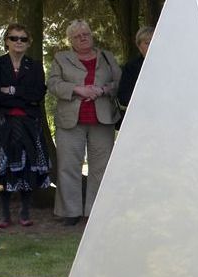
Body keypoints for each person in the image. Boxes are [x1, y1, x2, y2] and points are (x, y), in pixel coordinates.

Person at [48, 19, 122, 226]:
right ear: (70, 40)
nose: (83, 38)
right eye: (77, 36)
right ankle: (70, 212)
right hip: (71, 119)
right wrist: (77, 89)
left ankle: (95, 211)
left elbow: (119, 82)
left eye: (86, 34)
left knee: (101, 166)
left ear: (91, 35)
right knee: (68, 166)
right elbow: (53, 83)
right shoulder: (61, 58)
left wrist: (104, 89)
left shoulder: (106, 57)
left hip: (102, 118)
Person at [0, 23, 50, 228]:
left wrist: (10, 91)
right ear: (6, 41)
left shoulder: (34, 66)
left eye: (23, 39)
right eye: (14, 38)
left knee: (28, 167)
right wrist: (21, 94)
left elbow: (37, 95)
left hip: (29, 123)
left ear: (28, 43)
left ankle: (25, 212)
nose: (18, 42)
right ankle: (5, 215)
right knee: (5, 168)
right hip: (2, 123)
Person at [117, 26, 154, 109]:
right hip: (141, 112)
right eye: (147, 43)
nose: (151, 45)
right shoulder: (131, 67)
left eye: (154, 41)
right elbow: (123, 96)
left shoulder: (169, 64)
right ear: (139, 46)